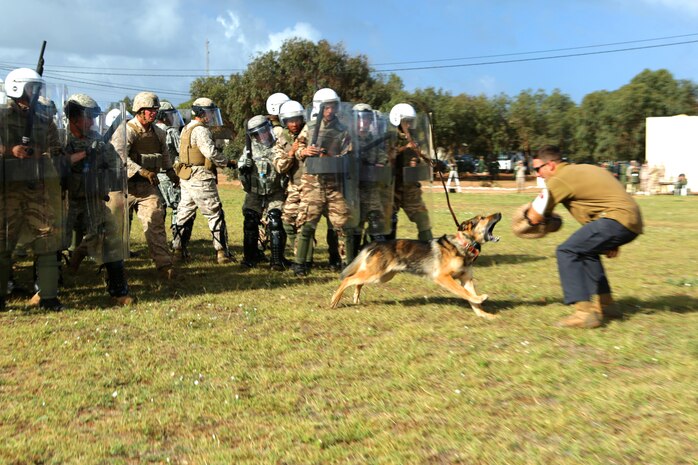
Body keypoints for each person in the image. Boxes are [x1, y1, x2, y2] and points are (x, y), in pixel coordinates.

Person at [521, 145, 643, 328]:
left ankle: (583, 312)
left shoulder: (560, 178)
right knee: (587, 251)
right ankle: (607, 305)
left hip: (615, 219)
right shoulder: (585, 168)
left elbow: (535, 215)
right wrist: (610, 238)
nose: (537, 174)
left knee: (567, 251)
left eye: (538, 169)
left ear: (551, 165)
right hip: (630, 220)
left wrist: (523, 220)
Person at [0, 68, 64, 310]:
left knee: (47, 240)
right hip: (7, 189)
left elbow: (55, 151)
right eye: (31, 88)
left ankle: (48, 297)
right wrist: (10, 151)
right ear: (16, 88)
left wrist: (39, 154)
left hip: (36, 187)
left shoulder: (43, 121)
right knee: (3, 244)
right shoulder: (1, 117)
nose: (36, 93)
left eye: (38, 88)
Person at [63, 94, 132, 305]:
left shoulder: (97, 141)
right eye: (88, 117)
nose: (92, 122)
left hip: (94, 200)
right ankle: (46, 290)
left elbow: (117, 165)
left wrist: (109, 170)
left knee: (111, 236)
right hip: (65, 201)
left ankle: (119, 291)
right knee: (53, 243)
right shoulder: (60, 139)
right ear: (74, 117)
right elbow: (53, 164)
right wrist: (83, 155)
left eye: (94, 118)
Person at [111, 91, 178, 279]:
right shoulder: (126, 131)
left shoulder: (159, 133)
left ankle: (164, 265)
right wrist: (141, 171)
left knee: (156, 219)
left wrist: (171, 171)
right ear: (139, 111)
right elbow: (119, 157)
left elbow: (164, 154)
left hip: (146, 188)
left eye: (155, 110)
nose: (154, 114)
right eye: (150, 110)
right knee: (110, 227)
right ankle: (81, 257)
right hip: (122, 187)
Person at [293, 88, 355, 276]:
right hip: (312, 183)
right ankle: (300, 264)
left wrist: (331, 156)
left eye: (333, 107)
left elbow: (349, 155)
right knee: (307, 224)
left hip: (334, 184)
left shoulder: (343, 130)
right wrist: (304, 152)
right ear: (320, 108)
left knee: (344, 224)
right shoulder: (310, 127)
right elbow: (298, 149)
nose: (330, 111)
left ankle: (349, 265)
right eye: (326, 107)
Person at [171, 98, 235, 264]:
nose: (212, 116)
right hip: (200, 176)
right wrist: (227, 162)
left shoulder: (186, 128)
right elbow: (211, 153)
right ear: (201, 113)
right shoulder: (201, 130)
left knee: (183, 214)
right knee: (215, 213)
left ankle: (178, 251)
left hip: (186, 175)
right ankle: (222, 253)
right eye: (210, 112)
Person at [238, 115, 287, 269]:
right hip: (255, 191)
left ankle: (277, 260)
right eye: (258, 133)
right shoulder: (249, 149)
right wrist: (244, 167)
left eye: (264, 131)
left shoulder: (278, 145)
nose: (262, 135)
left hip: (275, 190)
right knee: (250, 220)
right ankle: (250, 257)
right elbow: (241, 169)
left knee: (275, 220)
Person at [272, 100, 311, 269]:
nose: (294, 124)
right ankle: (298, 254)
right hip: (294, 186)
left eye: (297, 119)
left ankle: (305, 260)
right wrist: (292, 152)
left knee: (304, 223)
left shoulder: (311, 132)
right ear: (284, 121)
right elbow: (280, 166)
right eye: (290, 120)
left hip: (311, 186)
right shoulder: (283, 139)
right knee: (288, 221)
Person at [387, 103, 433, 242]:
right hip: (392, 187)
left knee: (423, 218)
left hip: (410, 187)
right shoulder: (388, 137)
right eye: (407, 121)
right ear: (398, 120)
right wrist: (404, 148)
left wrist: (422, 159)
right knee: (388, 220)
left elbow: (424, 157)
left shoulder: (415, 139)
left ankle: (427, 249)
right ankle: (388, 251)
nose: (410, 124)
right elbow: (386, 156)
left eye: (411, 121)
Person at [351, 103, 392, 246]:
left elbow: (382, 156)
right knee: (356, 225)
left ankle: (374, 256)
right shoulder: (348, 138)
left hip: (371, 189)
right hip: (353, 190)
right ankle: (352, 256)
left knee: (376, 222)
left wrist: (381, 163)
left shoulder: (373, 139)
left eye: (368, 119)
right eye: (362, 118)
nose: (365, 122)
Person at [154, 101, 184, 241]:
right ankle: (176, 240)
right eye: (170, 115)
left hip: (153, 177)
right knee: (177, 207)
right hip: (168, 175)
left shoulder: (151, 130)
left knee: (160, 209)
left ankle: (159, 239)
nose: (172, 118)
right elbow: (182, 151)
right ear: (164, 116)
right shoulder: (170, 132)